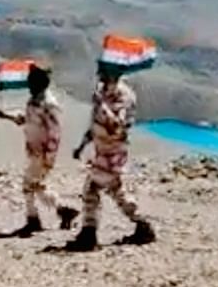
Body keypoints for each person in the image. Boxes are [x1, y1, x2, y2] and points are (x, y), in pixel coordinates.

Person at [67, 66, 156, 251]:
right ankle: (143, 225)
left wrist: (102, 106)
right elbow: (95, 124)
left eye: (105, 74)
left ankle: (89, 233)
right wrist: (83, 145)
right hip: (103, 150)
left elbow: (117, 125)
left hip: (113, 152)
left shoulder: (124, 96)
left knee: (92, 189)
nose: (102, 77)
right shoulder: (102, 92)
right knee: (116, 191)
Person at [0, 65, 78, 237]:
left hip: (43, 152)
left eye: (32, 82)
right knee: (37, 185)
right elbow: (26, 120)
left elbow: (55, 130)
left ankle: (33, 219)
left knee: (28, 185)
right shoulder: (34, 101)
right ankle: (64, 210)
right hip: (34, 150)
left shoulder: (49, 104)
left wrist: (49, 154)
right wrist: (8, 116)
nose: (29, 85)